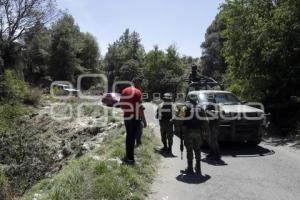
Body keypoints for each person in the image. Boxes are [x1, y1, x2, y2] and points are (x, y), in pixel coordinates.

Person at [120, 77, 143, 164]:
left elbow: (121, 105)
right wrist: (144, 120)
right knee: (132, 137)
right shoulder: (138, 92)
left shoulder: (125, 90)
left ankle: (129, 156)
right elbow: (140, 107)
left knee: (129, 136)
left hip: (127, 117)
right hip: (136, 117)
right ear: (138, 84)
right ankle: (130, 158)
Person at [178, 101, 203, 175]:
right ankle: (198, 168)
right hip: (198, 132)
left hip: (188, 132)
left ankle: (190, 168)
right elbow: (205, 121)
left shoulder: (184, 108)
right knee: (198, 149)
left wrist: (180, 130)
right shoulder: (200, 108)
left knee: (189, 150)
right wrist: (206, 132)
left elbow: (180, 120)